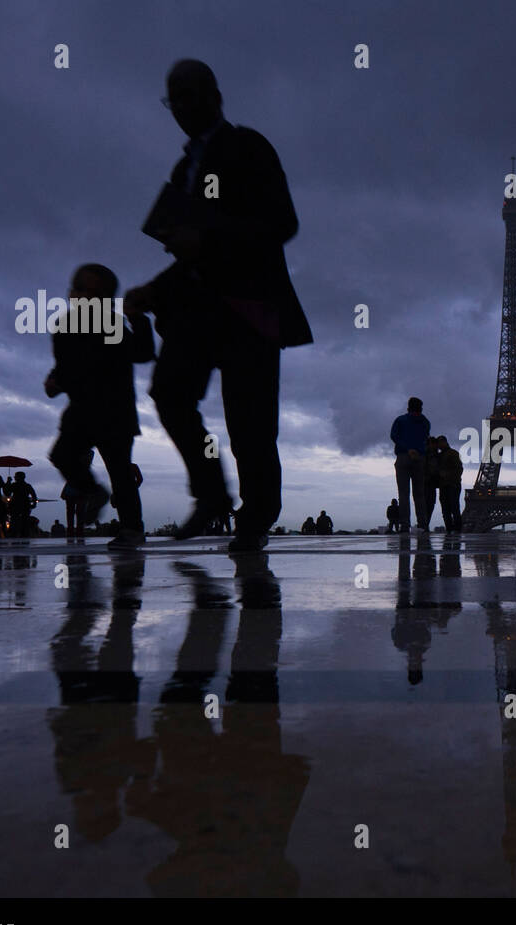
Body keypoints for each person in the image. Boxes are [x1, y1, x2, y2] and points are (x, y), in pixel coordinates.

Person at [123, 59, 313, 554]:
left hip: (248, 303)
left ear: (215, 95)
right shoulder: (185, 167)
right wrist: (154, 288)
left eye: (187, 96)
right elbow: (192, 254)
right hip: (201, 305)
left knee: (248, 418)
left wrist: (203, 237)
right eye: (174, 99)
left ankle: (252, 515)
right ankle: (213, 494)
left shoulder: (247, 147)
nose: (180, 108)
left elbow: (280, 223)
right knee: (170, 392)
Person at [45, 264, 155, 550]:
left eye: (95, 293)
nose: (85, 297)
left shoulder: (113, 325)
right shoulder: (63, 327)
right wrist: (57, 379)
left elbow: (142, 354)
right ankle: (93, 491)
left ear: (106, 300)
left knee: (119, 471)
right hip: (82, 410)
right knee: (62, 455)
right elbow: (67, 366)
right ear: (71, 293)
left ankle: (132, 529)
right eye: (81, 289)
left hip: (114, 411)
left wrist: (139, 321)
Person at [389, 397, 430, 530]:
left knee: (403, 494)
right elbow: (425, 437)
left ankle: (405, 524)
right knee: (419, 494)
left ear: (408, 407)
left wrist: (407, 449)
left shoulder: (400, 420)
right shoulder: (425, 422)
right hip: (419, 457)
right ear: (421, 408)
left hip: (403, 456)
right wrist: (417, 450)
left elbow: (394, 436)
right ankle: (423, 524)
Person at [435, 436, 464, 533]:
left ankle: (452, 529)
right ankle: (453, 529)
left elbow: (459, 469)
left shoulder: (451, 454)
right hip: (447, 484)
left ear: (444, 442)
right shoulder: (446, 454)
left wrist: (447, 475)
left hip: (451, 484)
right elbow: (459, 469)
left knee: (451, 508)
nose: (438, 446)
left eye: (439, 443)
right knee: (449, 508)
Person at [4, 471, 38, 537]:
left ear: (18, 477)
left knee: (14, 521)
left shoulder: (14, 485)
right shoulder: (27, 486)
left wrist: (8, 482)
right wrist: (34, 504)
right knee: (25, 522)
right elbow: (34, 495)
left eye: (15, 476)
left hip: (15, 506)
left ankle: (14, 534)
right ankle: (24, 535)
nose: (14, 477)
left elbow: (7, 493)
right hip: (25, 506)